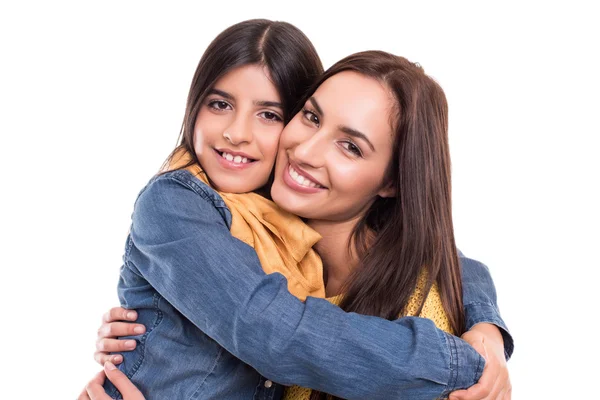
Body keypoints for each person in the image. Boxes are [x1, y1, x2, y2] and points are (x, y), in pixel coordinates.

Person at [84, 20, 512, 400]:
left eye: (269, 114)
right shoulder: (203, 205)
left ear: (392, 181)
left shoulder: (298, 227)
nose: (305, 151)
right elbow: (267, 327)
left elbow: (448, 258)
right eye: (310, 117)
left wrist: (485, 333)